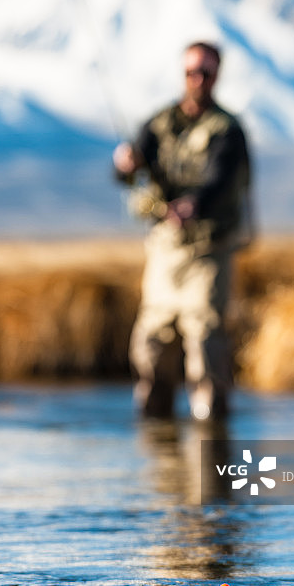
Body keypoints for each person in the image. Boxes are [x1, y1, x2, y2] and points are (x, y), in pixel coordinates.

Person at [113, 41, 253, 420]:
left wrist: (194, 204)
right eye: (192, 72)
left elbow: (221, 179)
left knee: (204, 338)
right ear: (183, 74)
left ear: (217, 76)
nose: (199, 79)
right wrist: (125, 165)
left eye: (206, 72)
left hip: (210, 250)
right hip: (165, 249)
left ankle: (211, 427)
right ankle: (155, 425)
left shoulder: (228, 130)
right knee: (152, 341)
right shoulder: (159, 123)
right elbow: (129, 170)